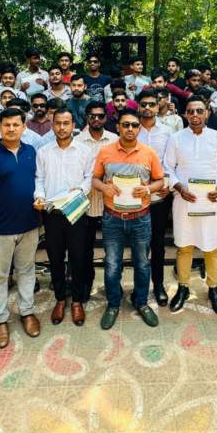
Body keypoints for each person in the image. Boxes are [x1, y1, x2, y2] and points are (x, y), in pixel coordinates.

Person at [0, 107, 42, 348]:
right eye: (6, 125)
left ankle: (27, 312)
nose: (11, 129)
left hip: (29, 225)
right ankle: (0, 319)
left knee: (27, 270)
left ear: (24, 127)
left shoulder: (31, 152)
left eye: (16, 125)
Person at [92, 108, 165, 330]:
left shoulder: (149, 153)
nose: (130, 129)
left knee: (142, 263)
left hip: (141, 218)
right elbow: (95, 179)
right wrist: (104, 187)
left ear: (139, 128)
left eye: (134, 125)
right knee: (112, 264)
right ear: (118, 127)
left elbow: (160, 181)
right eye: (126, 125)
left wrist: (148, 189)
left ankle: (141, 301)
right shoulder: (105, 152)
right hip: (113, 218)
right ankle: (113, 303)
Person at [165, 96, 217, 315]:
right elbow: (168, 168)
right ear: (185, 114)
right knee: (184, 246)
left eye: (199, 111)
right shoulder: (176, 138)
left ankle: (213, 289)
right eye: (190, 111)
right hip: (184, 201)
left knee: (212, 246)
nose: (195, 115)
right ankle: (183, 287)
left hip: (211, 202)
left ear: (207, 113)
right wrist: (179, 188)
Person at [34, 108, 95, 326]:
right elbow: (39, 179)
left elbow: (89, 177)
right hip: (52, 213)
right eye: (58, 123)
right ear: (52, 125)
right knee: (56, 258)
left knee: (78, 258)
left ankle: (77, 301)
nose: (62, 127)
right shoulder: (44, 152)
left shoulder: (85, 151)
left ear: (73, 126)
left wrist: (80, 191)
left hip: (76, 212)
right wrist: (39, 196)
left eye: (66, 123)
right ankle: (60, 299)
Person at [76, 101, 119, 300]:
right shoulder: (77, 140)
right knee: (85, 248)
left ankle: (113, 286)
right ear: (87, 118)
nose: (96, 119)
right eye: (92, 116)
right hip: (87, 203)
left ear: (105, 118)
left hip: (111, 201)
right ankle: (86, 283)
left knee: (113, 249)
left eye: (100, 116)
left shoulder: (115, 139)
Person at [136, 90, 173, 306]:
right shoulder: (131, 129)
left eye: (152, 104)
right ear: (138, 106)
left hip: (160, 195)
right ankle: (140, 287)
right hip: (136, 195)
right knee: (139, 244)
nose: (148, 108)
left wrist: (167, 184)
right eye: (144, 104)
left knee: (158, 243)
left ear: (158, 107)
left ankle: (158, 284)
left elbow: (171, 162)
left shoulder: (168, 132)